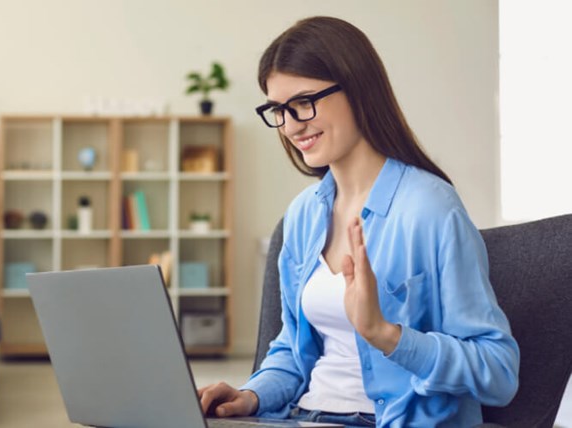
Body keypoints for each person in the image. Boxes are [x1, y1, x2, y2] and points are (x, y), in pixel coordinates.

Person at [197, 16, 519, 428]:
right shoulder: (302, 215)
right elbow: (294, 354)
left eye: (303, 102)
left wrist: (386, 334)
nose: (292, 124)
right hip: (303, 417)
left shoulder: (430, 208)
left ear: (357, 89)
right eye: (278, 110)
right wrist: (250, 395)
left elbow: (499, 372)